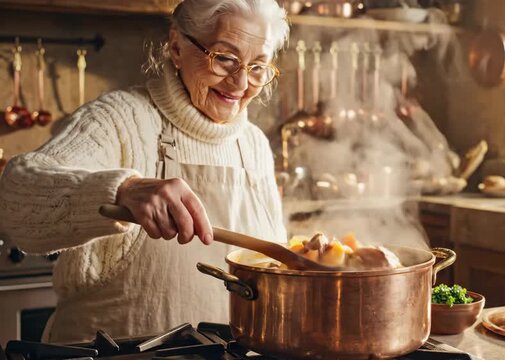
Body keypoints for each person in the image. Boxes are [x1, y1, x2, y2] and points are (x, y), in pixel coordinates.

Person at [0, 0, 289, 343]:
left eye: (258, 66)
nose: (241, 82)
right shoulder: (119, 120)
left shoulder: (253, 144)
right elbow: (15, 202)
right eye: (224, 58)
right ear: (177, 46)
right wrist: (123, 190)